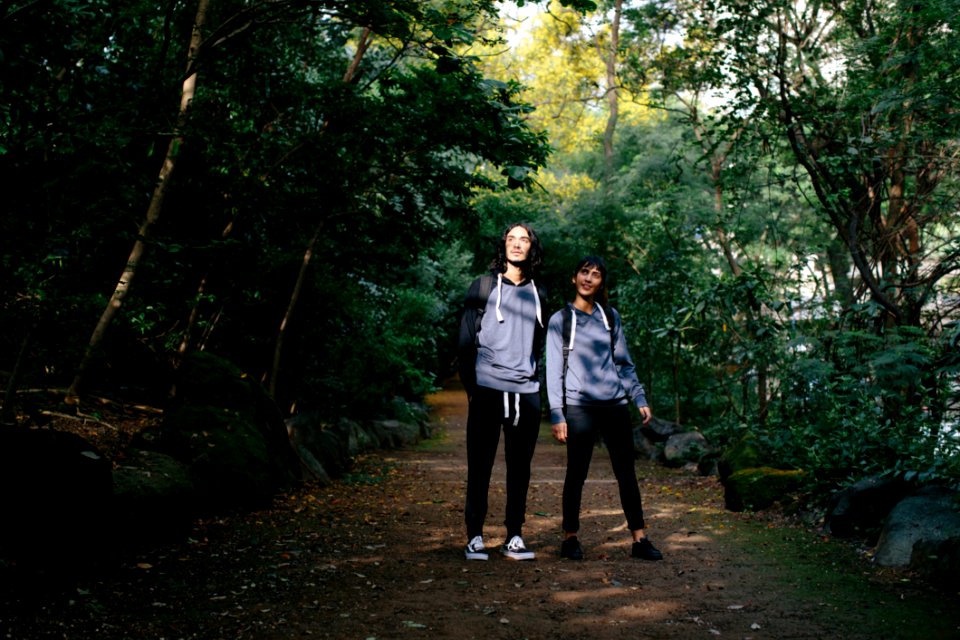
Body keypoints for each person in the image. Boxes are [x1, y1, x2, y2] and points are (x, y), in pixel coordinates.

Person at [545, 255, 663, 561]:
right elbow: (554, 371)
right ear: (575, 278)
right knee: (577, 472)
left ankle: (639, 539)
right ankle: (570, 537)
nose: (589, 278)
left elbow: (623, 363)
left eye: (595, 275)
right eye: (584, 272)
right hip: (580, 407)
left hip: (614, 404)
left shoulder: (609, 317)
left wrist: (639, 397)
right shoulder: (561, 320)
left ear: (600, 283)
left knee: (626, 473)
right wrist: (557, 414)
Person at [457, 222, 547, 561]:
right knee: (479, 465)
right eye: (511, 239)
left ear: (531, 248)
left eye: (524, 240)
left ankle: (514, 535)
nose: (517, 244)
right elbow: (466, 339)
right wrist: (473, 388)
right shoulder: (482, 287)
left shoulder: (540, 293)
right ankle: (475, 536)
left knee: (519, 467)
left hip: (525, 393)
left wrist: (533, 380)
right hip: (487, 389)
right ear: (503, 246)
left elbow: (537, 343)